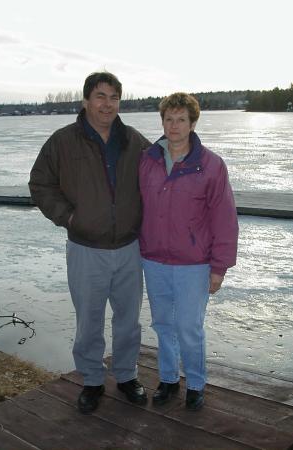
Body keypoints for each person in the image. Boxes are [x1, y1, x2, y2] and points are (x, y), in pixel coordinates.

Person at [29, 72, 151, 414]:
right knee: (89, 319)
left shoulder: (134, 140)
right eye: (100, 96)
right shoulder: (63, 141)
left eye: (113, 97)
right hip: (85, 249)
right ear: (86, 101)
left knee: (129, 319)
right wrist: (68, 217)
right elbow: (40, 184)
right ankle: (93, 381)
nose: (107, 104)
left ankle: (127, 376)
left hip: (129, 248)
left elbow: (160, 177)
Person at [139, 92, 238, 411]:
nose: (174, 125)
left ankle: (195, 383)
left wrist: (219, 267)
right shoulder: (148, 160)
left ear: (193, 122)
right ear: (162, 121)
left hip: (193, 264)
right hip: (153, 260)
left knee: (189, 327)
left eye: (181, 119)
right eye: (168, 119)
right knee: (163, 324)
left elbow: (224, 218)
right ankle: (168, 379)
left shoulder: (210, 165)